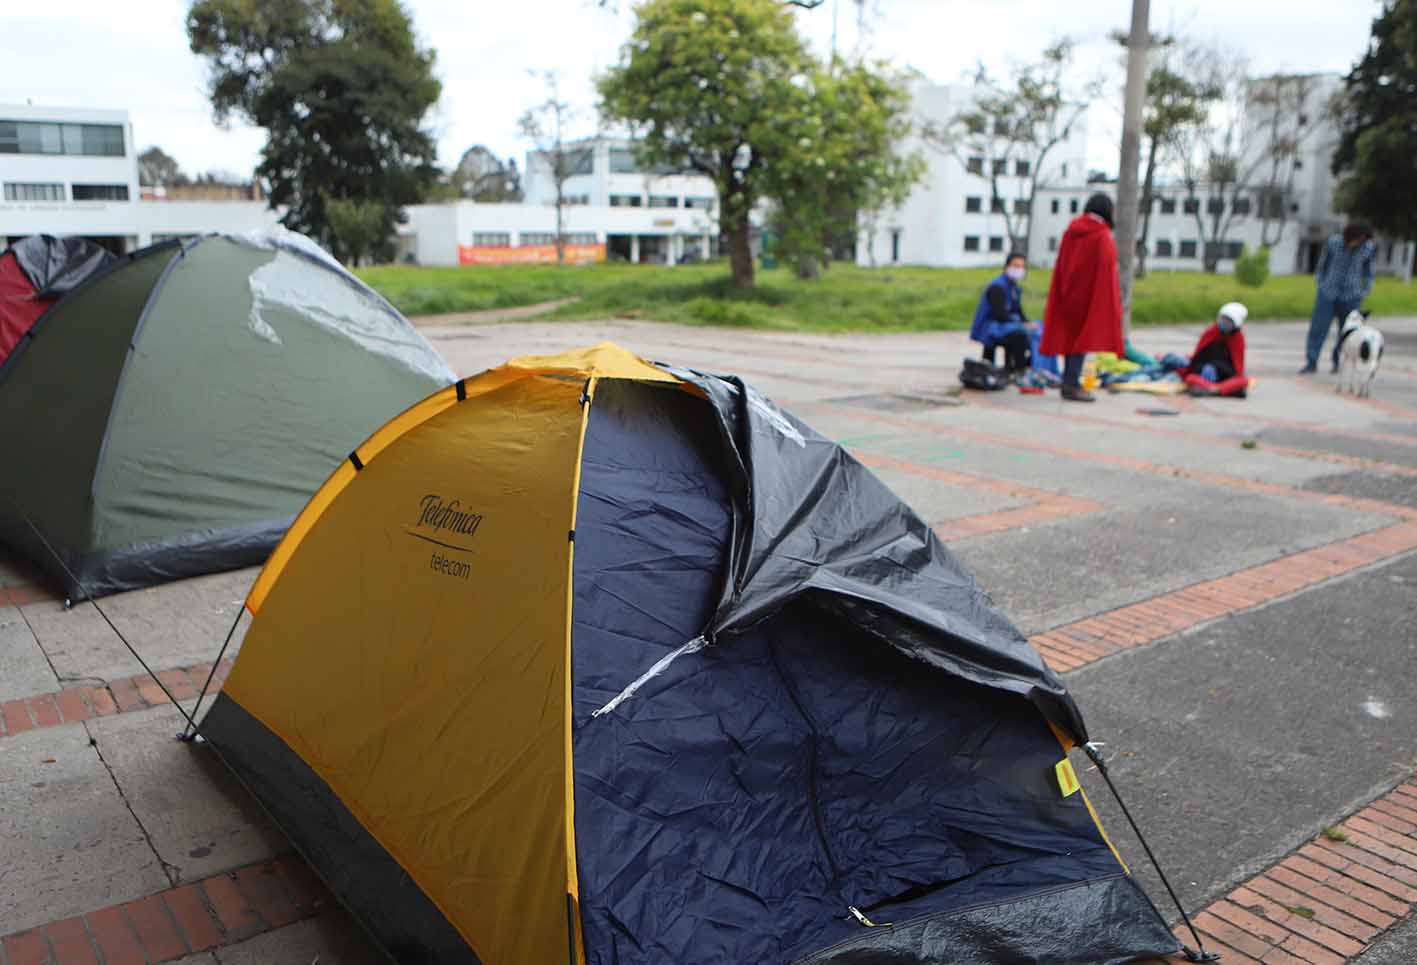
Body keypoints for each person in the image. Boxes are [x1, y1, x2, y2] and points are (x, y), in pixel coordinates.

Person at [1042, 193, 1123, 402]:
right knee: (1081, 342)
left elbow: (1062, 264)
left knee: (1069, 341)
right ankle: (1071, 384)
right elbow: (1107, 270)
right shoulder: (1101, 235)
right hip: (1089, 296)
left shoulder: (1071, 230)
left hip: (1067, 294)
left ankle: (1069, 381)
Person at [1301, 223, 1376, 374]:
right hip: (1328, 291)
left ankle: (1339, 362)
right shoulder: (1334, 243)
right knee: (1318, 328)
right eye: (1359, 238)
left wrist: (1364, 290)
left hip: (1352, 294)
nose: (1361, 242)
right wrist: (1320, 283)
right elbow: (1323, 264)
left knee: (1348, 331)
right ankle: (1312, 361)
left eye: (1364, 239)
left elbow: (1369, 272)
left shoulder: (1368, 248)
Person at [969, 252, 1038, 376]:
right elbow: (1000, 315)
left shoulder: (1013, 287)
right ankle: (1019, 371)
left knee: (1037, 330)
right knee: (1019, 335)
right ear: (1006, 267)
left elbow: (1018, 310)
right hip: (990, 327)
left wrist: (1027, 322)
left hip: (1004, 324)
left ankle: (1031, 367)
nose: (1019, 270)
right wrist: (1021, 324)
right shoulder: (997, 287)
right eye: (1016, 266)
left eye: (1022, 267)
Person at [1180, 301, 1251, 397]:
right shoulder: (1211, 332)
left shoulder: (1238, 338)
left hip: (1224, 377)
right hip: (1204, 374)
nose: (1223, 323)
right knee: (1191, 378)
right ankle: (1220, 390)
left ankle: (1212, 390)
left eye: (1228, 321)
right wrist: (1207, 367)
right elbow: (1197, 359)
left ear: (1236, 324)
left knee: (1243, 381)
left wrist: (1218, 369)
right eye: (1222, 319)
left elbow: (1237, 369)